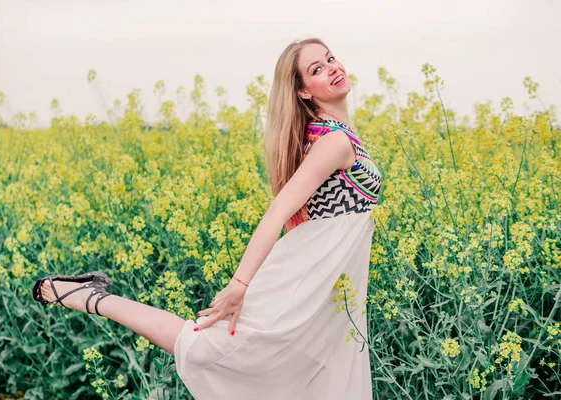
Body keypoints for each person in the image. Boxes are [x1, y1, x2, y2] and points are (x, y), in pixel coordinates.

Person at [33, 37, 382, 399]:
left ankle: (88, 294)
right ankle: (88, 296)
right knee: (205, 347)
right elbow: (278, 210)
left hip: (327, 285)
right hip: (310, 278)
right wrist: (239, 286)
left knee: (313, 376)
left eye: (330, 59)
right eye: (317, 69)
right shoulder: (334, 142)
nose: (332, 68)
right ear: (303, 92)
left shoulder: (331, 134)